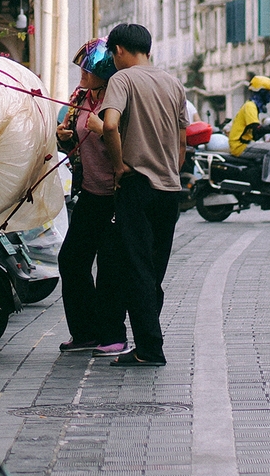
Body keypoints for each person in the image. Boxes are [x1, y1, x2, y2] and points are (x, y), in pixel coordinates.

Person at [100, 23, 187, 367]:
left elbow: (109, 125)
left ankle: (150, 349)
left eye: (112, 53)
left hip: (138, 185)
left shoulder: (122, 80)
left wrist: (119, 166)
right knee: (153, 269)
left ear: (119, 49)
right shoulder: (173, 83)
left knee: (137, 268)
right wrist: (171, 167)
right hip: (170, 189)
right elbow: (182, 140)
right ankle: (148, 340)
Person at [56, 39, 128, 355]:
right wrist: (63, 136)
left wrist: (103, 129)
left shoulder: (117, 99)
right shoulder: (81, 98)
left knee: (111, 266)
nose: (82, 74)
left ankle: (113, 335)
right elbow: (72, 141)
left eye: (87, 68)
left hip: (116, 192)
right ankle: (84, 332)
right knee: (71, 259)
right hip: (89, 191)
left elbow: (128, 142)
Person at [228, 75, 270, 194]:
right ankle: (266, 184)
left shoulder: (253, 106)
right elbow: (257, 129)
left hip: (244, 143)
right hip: (240, 146)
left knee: (269, 146)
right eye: (268, 93)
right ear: (262, 93)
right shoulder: (250, 106)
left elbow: (255, 133)